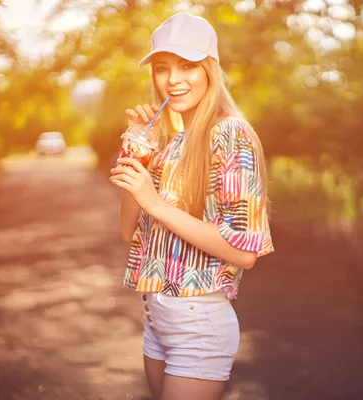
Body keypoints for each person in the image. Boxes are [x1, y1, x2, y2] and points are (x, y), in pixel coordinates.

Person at [109, 12, 274, 400]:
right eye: (163, 68)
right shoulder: (172, 141)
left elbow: (243, 252)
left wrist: (154, 201)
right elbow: (127, 231)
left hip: (197, 323)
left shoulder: (231, 134)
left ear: (210, 70)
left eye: (188, 66)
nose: (173, 80)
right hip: (157, 319)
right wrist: (139, 157)